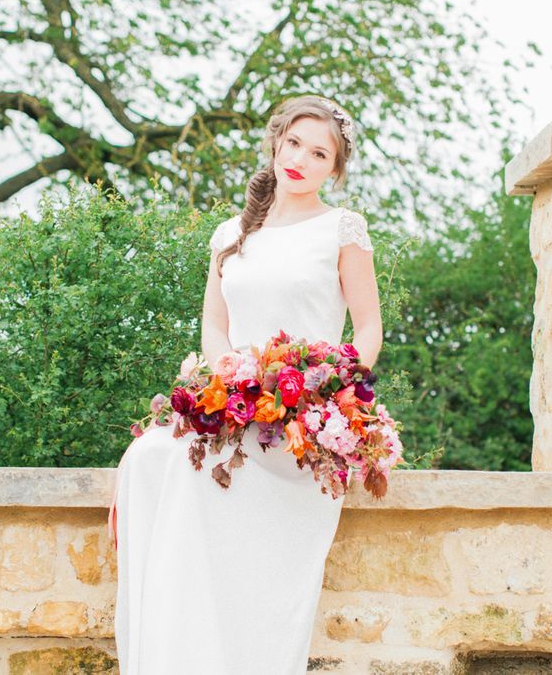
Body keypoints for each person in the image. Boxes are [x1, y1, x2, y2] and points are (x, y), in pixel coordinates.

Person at [108, 94, 382, 674]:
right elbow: (214, 324)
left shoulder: (342, 229)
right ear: (276, 143)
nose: (301, 160)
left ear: (334, 169)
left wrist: (329, 393)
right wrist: (228, 376)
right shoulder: (230, 234)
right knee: (151, 456)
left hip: (297, 427)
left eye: (319, 153)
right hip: (236, 406)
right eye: (293, 144)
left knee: (196, 473)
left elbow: (369, 328)